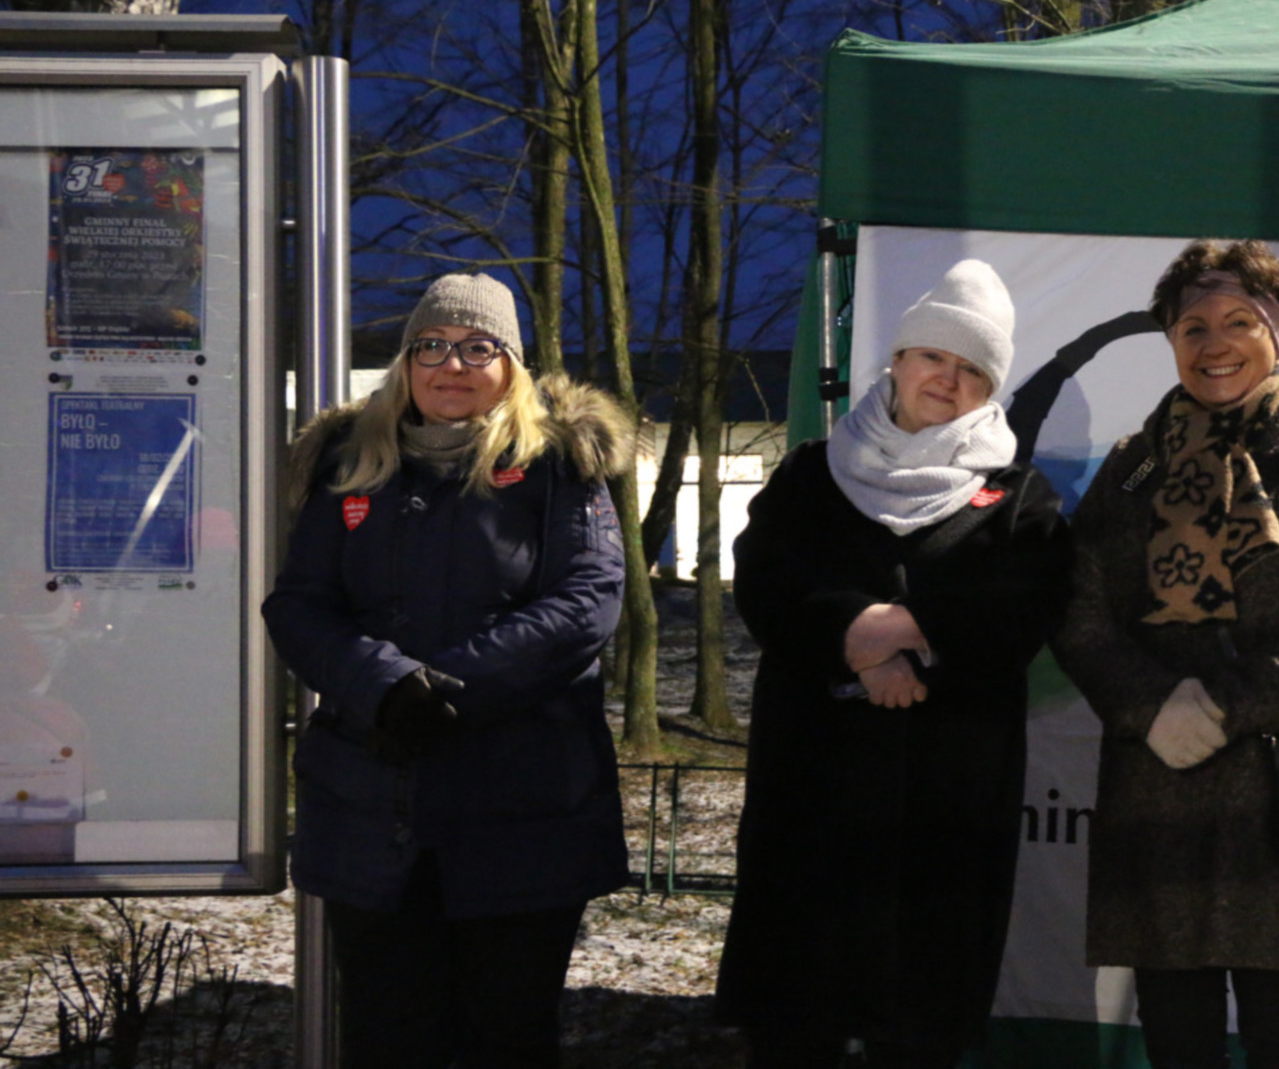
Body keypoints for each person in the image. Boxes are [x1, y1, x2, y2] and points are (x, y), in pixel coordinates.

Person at [1051, 240, 1279, 1069]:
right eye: (1193, 327)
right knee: (1175, 1034)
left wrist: (1225, 705)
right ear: (1171, 342)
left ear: (1274, 331)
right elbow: (1078, 610)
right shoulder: (1132, 467)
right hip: (1160, 779)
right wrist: (1149, 706)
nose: (1214, 343)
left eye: (1239, 321)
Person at [261, 272, 634, 1069]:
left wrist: (447, 691)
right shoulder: (347, 463)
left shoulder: (560, 464)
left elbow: (588, 601)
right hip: (372, 808)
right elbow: (299, 605)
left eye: (477, 347)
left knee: (507, 1035)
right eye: (430, 345)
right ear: (405, 362)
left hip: (523, 812)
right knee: (388, 1036)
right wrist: (385, 685)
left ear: (511, 366)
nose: (452, 364)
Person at [715, 258, 1071, 1068]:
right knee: (795, 1021)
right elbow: (766, 580)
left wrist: (908, 632)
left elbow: (1027, 608)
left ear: (991, 390)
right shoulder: (810, 472)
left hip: (945, 804)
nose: (948, 379)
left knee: (920, 1025)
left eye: (972, 369)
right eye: (933, 356)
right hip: (812, 788)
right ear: (898, 361)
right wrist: (856, 640)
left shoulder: (1021, 498)